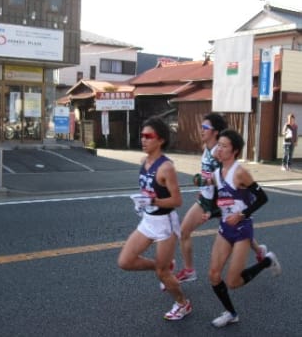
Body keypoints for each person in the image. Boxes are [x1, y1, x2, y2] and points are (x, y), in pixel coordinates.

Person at [175, 113, 267, 284]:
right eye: (201, 127)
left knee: (185, 231)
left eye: (205, 128)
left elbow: (225, 182)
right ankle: (259, 251)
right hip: (209, 199)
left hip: (215, 203)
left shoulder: (219, 155)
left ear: (215, 132)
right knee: (234, 226)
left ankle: (189, 270)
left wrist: (214, 205)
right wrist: (203, 188)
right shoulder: (208, 149)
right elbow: (209, 177)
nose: (201, 130)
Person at [117, 116, 192, 321]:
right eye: (142, 136)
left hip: (164, 224)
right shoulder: (144, 161)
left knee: (163, 274)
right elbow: (149, 192)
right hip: (148, 220)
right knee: (125, 261)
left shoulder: (166, 167)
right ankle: (164, 265)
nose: (143, 140)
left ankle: (182, 304)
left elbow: (177, 201)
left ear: (160, 140)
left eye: (148, 136)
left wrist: (153, 201)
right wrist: (143, 202)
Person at [206, 129, 281, 328]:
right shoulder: (215, 174)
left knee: (233, 282)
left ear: (235, 151)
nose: (219, 149)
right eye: (218, 145)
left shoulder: (240, 172)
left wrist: (242, 215)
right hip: (225, 229)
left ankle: (266, 261)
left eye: (224, 146)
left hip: (242, 229)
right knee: (214, 275)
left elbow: (263, 198)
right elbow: (221, 203)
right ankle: (231, 313)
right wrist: (211, 213)